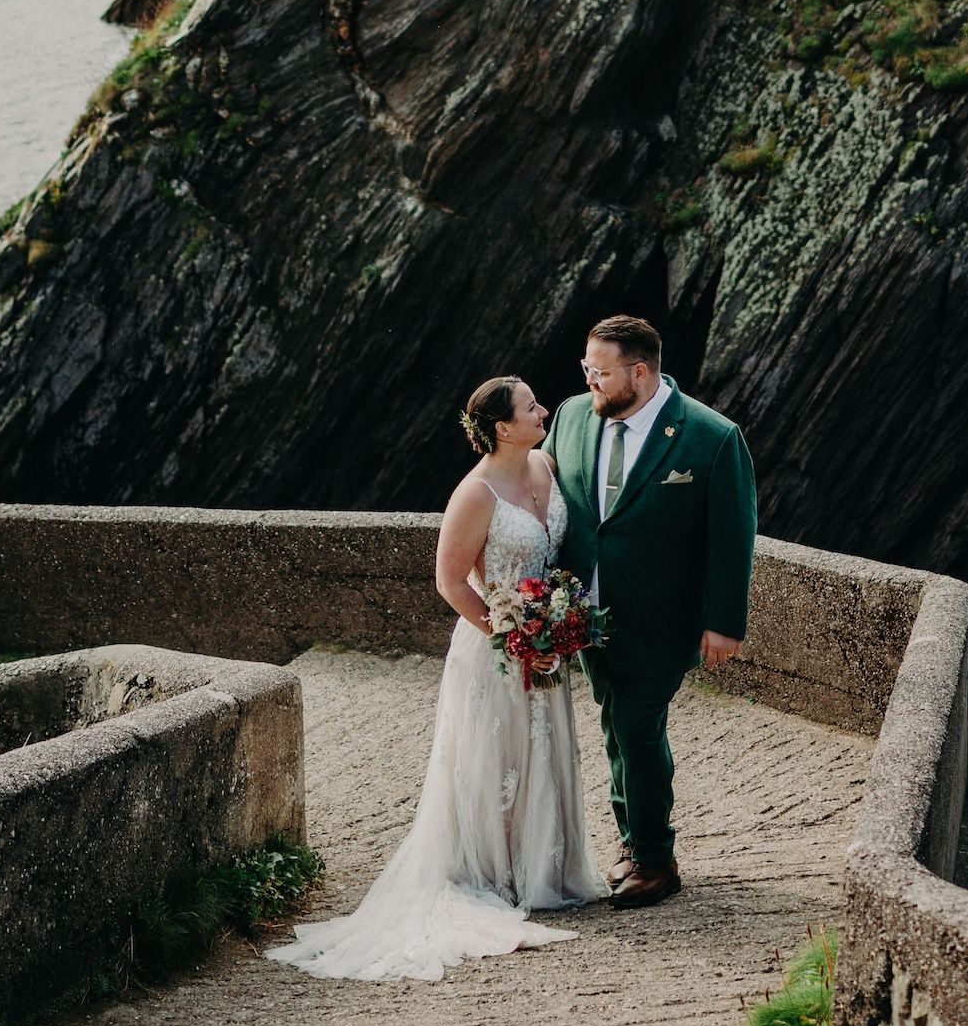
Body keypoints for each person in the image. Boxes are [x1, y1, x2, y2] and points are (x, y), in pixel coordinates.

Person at [268, 374, 605, 982]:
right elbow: (450, 581)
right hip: (496, 650)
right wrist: (511, 635)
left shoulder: (546, 468)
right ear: (503, 427)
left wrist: (554, 628)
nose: (544, 409)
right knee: (493, 757)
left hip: (545, 646)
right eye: (531, 406)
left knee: (543, 751)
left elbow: (557, 552)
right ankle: (490, 877)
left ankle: (543, 870)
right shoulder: (475, 494)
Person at [545, 314, 759, 910]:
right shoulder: (568, 417)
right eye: (585, 368)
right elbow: (555, 502)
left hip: (663, 618)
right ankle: (632, 841)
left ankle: (657, 862)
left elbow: (733, 534)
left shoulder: (711, 438)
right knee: (616, 726)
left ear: (639, 372)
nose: (589, 380)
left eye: (601, 371)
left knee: (637, 728)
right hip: (584, 614)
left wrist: (723, 622)